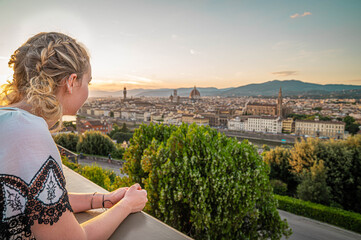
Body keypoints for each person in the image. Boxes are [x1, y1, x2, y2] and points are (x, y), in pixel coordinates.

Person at [0, 32, 148, 240]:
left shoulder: (9, 120)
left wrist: (103, 199)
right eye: (89, 82)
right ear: (71, 82)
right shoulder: (29, 133)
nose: (88, 91)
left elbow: (43, 202)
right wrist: (127, 205)